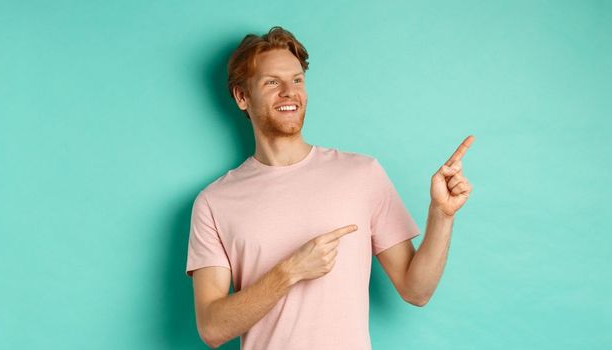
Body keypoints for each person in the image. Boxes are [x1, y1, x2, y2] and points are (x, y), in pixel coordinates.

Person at [185, 26, 474, 349]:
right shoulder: (214, 202)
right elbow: (211, 327)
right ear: (242, 97)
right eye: (272, 83)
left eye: (296, 80)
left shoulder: (362, 174)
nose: (289, 92)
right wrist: (290, 272)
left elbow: (416, 290)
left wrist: (442, 215)